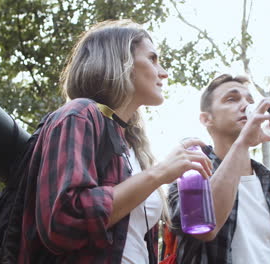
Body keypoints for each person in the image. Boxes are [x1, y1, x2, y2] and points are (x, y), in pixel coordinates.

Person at [18, 20, 213, 264]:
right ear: (122, 62)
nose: (163, 72)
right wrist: (159, 173)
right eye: (152, 59)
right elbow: (64, 220)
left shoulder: (132, 146)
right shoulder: (79, 114)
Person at [167, 74, 270, 264]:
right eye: (232, 99)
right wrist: (242, 143)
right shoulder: (189, 173)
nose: (246, 105)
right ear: (206, 119)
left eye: (250, 100)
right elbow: (205, 229)